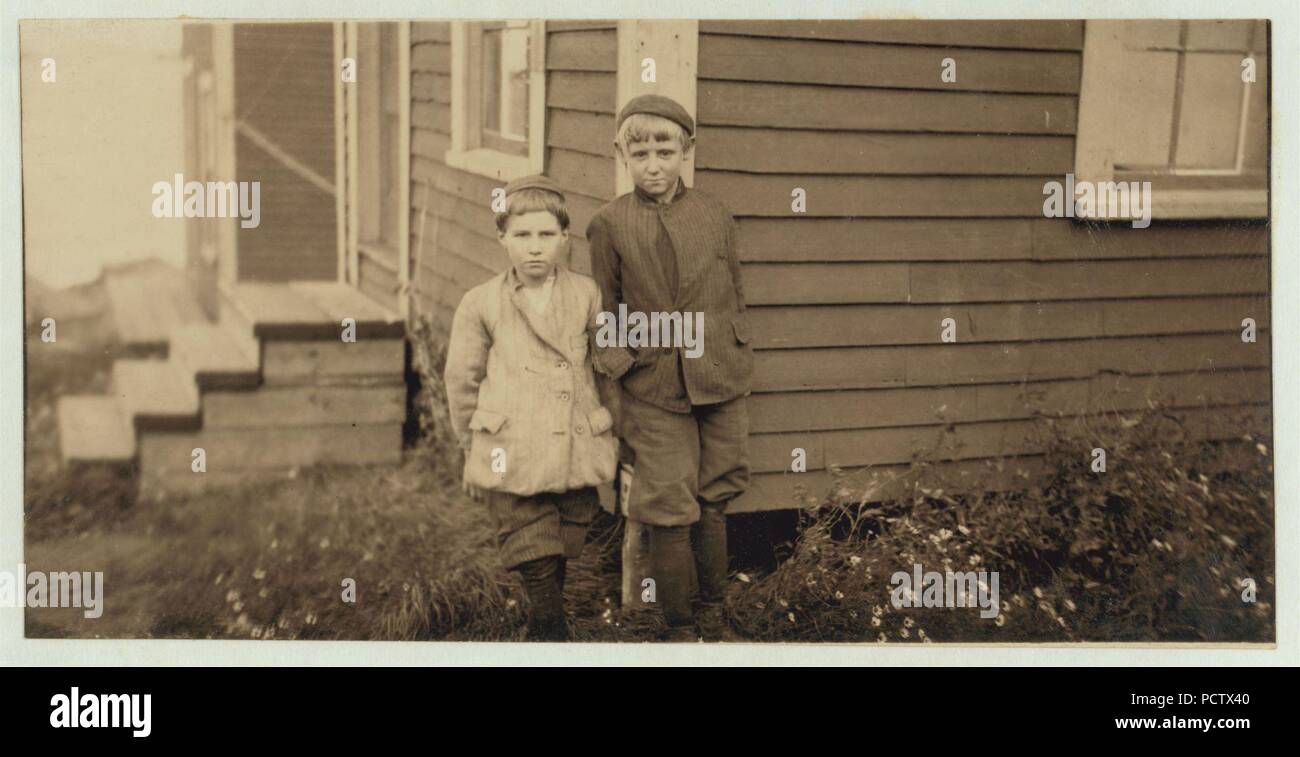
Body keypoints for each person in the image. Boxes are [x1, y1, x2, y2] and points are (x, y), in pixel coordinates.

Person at [587, 94, 754, 641]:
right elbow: (606, 313)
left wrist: (733, 348)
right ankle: (678, 624)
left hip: (719, 379)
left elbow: (733, 293)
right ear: (622, 155)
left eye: (665, 150)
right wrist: (626, 366)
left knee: (716, 494)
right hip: (655, 388)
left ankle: (714, 611)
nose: (653, 164)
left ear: (688, 150)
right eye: (639, 154)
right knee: (668, 503)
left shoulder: (715, 213)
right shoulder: (609, 224)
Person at [444, 174, 617, 641]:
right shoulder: (481, 302)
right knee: (529, 540)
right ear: (502, 238)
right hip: (512, 443)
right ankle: (550, 630)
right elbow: (462, 381)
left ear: (564, 238)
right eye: (522, 235)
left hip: (572, 441)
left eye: (546, 235)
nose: (534, 248)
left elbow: (605, 365)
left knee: (564, 538)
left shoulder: (585, 294)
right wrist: (470, 448)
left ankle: (546, 625)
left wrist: (612, 429)